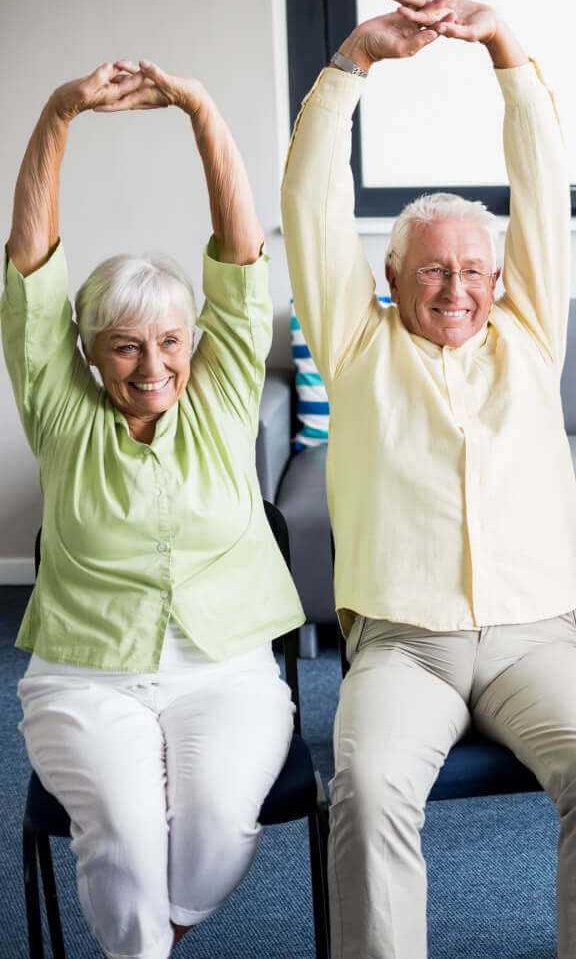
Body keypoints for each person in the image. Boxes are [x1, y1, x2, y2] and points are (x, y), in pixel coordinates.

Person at [280, 0, 576, 958]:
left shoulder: (529, 338)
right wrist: (352, 62)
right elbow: (310, 200)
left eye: (476, 269)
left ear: (501, 278)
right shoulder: (356, 344)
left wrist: (505, 52)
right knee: (366, 788)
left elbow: (545, 183)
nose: (457, 287)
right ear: (392, 277)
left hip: (533, 642)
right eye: (434, 270)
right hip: (406, 647)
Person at [4, 61, 304, 958]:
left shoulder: (217, 401)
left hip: (228, 670)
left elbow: (242, 262)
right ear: (90, 353)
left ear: (194, 346)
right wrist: (60, 114)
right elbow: (30, 274)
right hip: (86, 675)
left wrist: (202, 110)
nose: (151, 365)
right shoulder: (62, 413)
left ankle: (159, 935)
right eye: (125, 346)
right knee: (126, 842)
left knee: (215, 825)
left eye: (170, 341)